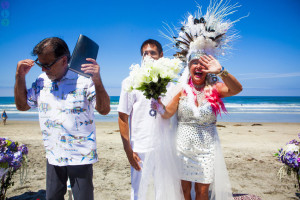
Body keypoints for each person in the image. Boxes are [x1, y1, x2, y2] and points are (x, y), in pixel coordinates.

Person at [14, 37, 110, 200]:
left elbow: (104, 109)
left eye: (47, 65)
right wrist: (19, 76)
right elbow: (23, 106)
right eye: (40, 64)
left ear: (64, 60)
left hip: (80, 154)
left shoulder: (84, 80)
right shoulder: (41, 81)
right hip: (53, 153)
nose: (44, 69)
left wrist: (98, 82)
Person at [118, 39, 166, 200]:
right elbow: (123, 116)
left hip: (164, 146)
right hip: (140, 146)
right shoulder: (130, 82)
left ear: (161, 55)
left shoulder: (168, 82)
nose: (149, 56)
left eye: (153, 52)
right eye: (145, 53)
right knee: (140, 192)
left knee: (163, 191)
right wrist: (128, 150)